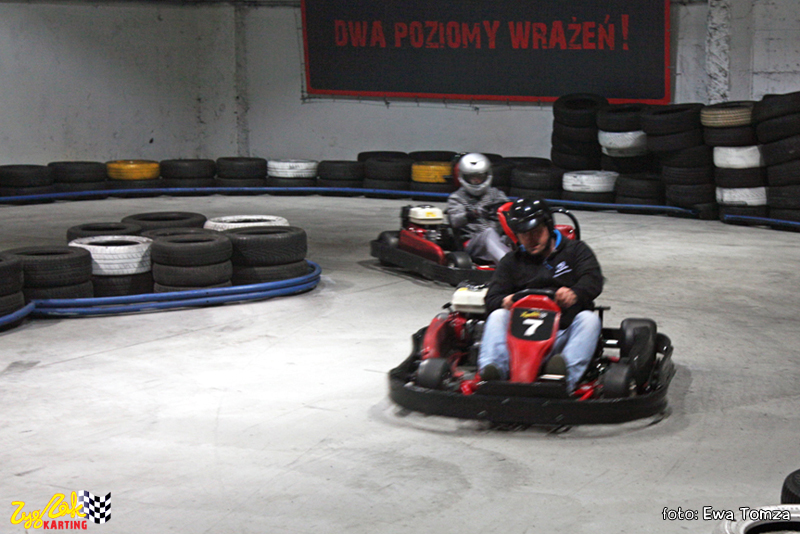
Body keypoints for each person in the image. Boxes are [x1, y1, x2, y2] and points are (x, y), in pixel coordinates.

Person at [477, 196, 604, 392]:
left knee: (589, 320)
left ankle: (563, 378)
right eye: (524, 235)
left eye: (536, 232)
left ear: (549, 226)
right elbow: (492, 298)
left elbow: (593, 279)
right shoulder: (511, 261)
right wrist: (505, 301)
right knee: (497, 315)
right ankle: (493, 375)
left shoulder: (576, 251)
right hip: (517, 339)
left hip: (561, 333)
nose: (531, 240)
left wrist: (574, 293)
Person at [447, 153, 511, 264]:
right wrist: (473, 214)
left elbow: (508, 209)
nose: (476, 181)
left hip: (499, 237)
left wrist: (500, 210)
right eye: (472, 178)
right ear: (463, 177)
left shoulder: (496, 194)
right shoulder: (457, 197)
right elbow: (455, 220)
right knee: (488, 233)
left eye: (479, 177)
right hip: (473, 241)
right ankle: (508, 265)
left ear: (487, 175)